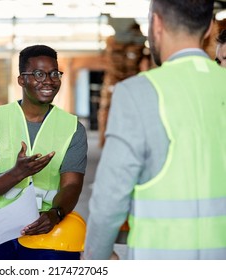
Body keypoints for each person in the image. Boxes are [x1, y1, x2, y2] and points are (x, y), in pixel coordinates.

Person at [84, 0, 226, 260]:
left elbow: (109, 201)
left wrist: (95, 259)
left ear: (156, 23)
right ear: (208, 29)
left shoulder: (137, 93)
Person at [0, 44, 88, 260]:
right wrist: (18, 172)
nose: (49, 80)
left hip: (46, 225)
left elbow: (71, 185)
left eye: (54, 73)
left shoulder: (73, 128)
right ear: (21, 80)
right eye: (39, 74)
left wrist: (55, 213)